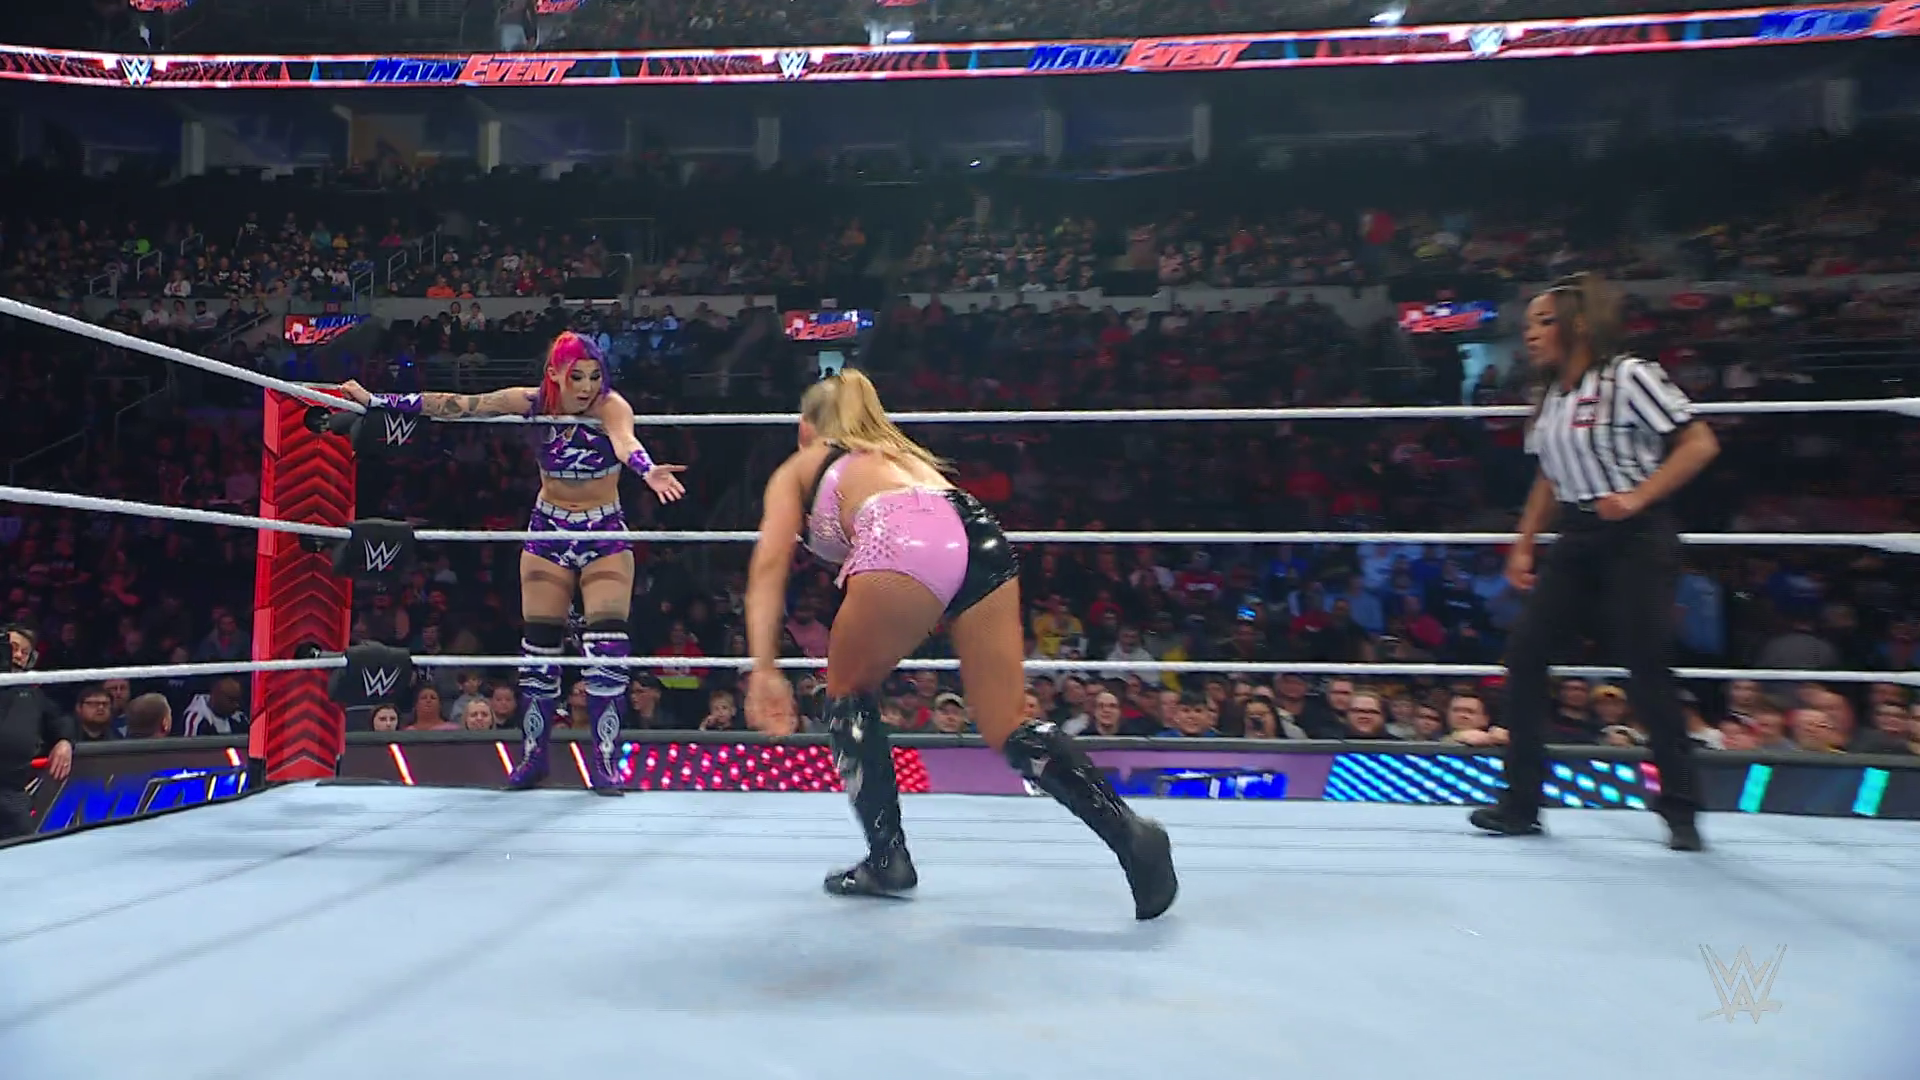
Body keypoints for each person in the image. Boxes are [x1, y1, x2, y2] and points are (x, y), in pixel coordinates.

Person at [742, 371, 1177, 919]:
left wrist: (763, 666)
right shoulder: (901, 458)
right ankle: (1131, 833)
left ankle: (887, 859)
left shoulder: (801, 465)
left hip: (901, 539)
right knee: (1007, 724)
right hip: (978, 532)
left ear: (807, 427)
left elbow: (769, 566)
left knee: (847, 694)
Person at [341, 331, 688, 793]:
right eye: (577, 377)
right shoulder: (530, 403)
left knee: (607, 648)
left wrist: (647, 471)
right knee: (539, 652)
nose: (587, 387)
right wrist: (378, 401)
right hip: (548, 530)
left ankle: (605, 764)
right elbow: (460, 405)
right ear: (554, 375)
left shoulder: (610, 406)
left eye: (594, 376)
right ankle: (532, 759)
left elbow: (625, 442)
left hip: (603, 532)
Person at [1471, 273, 1720, 850]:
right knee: (1525, 653)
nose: (1530, 333)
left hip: (1636, 535)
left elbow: (1700, 442)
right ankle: (1521, 802)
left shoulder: (1628, 376)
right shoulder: (1550, 395)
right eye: (1528, 324)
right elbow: (1548, 477)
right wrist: (1524, 542)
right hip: (1579, 534)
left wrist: (1638, 497)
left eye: (1543, 321)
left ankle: (1681, 810)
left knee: (1645, 663)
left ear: (1579, 324)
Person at [0, 626, 74, 841]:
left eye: (24, 652)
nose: (17, 656)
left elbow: (61, 719)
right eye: (12, 648)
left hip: (11, 793)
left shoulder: (33, 695)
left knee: (24, 849)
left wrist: (64, 741)